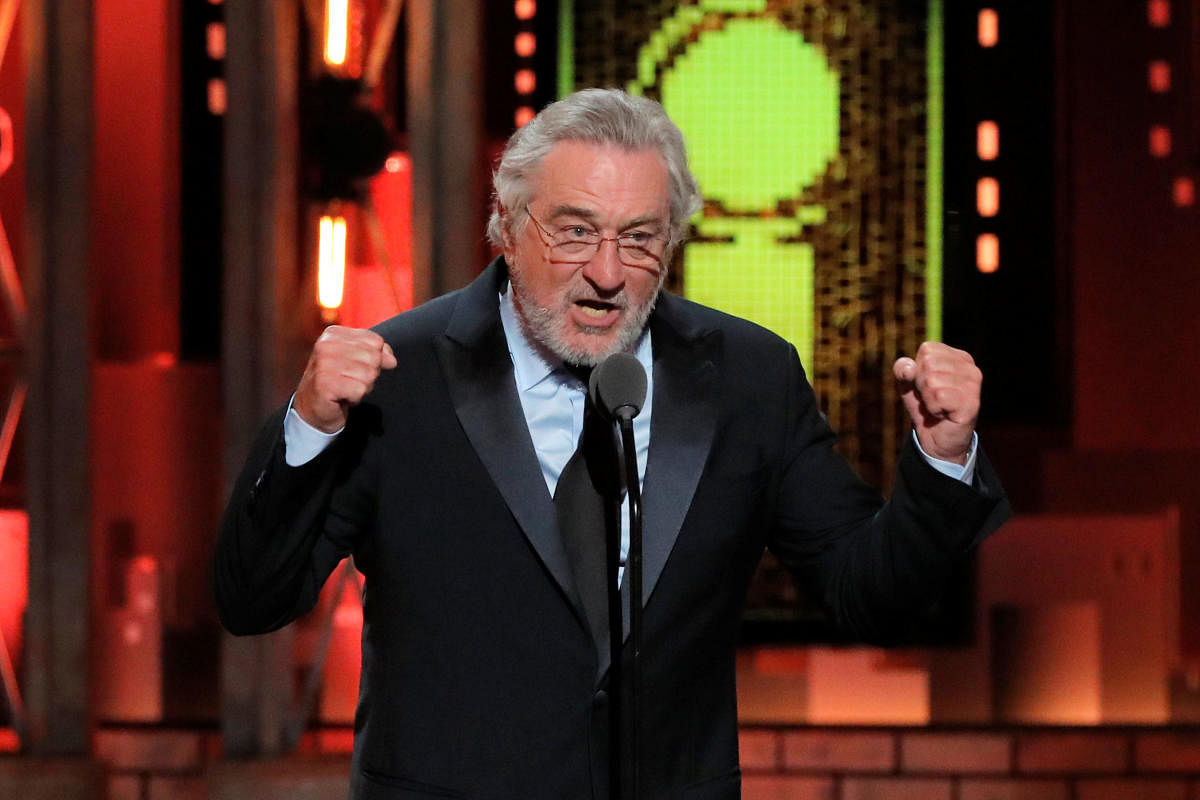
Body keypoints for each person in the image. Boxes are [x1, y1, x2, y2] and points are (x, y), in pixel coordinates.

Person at [214, 88, 1008, 800]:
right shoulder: (402, 374)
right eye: (574, 232)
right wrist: (309, 425)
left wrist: (942, 459)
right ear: (507, 224)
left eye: (639, 239)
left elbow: (869, 594)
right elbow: (254, 598)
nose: (605, 272)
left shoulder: (748, 379)